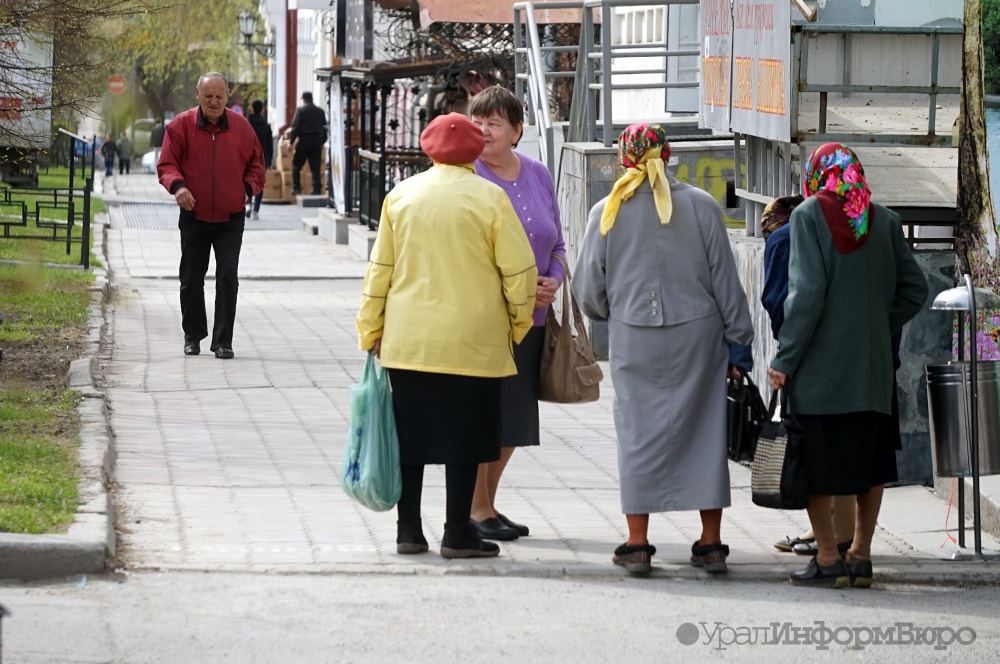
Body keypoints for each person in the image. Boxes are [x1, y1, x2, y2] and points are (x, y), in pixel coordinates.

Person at [573, 124, 754, 576]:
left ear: (622, 159)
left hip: (636, 336)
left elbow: (588, 288)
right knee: (705, 432)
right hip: (699, 336)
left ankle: (637, 543)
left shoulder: (607, 209)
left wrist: (610, 313)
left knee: (638, 434)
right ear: (668, 155)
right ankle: (710, 543)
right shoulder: (701, 206)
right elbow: (725, 283)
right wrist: (740, 343)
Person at [355, 112, 538, 559]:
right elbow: (519, 273)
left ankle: (409, 531)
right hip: (475, 341)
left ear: (428, 148)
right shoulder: (491, 199)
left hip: (409, 342)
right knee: (467, 438)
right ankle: (457, 532)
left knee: (410, 438)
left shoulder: (401, 196)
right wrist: (517, 324)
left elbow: (380, 271)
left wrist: (370, 329)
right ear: (474, 149)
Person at [766, 143, 928, 589]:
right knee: (870, 464)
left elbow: (806, 294)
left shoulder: (807, 217)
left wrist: (785, 359)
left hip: (820, 371)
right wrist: (876, 323)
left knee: (816, 464)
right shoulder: (887, 221)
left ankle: (828, 557)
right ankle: (860, 555)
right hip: (873, 370)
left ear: (819, 176)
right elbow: (915, 290)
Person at [466, 85, 566, 541]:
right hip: (488, 318)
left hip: (535, 318)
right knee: (488, 414)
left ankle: (486, 503)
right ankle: (476, 508)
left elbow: (559, 244)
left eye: (494, 122)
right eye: (479, 120)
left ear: (517, 130)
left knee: (516, 420)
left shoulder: (539, 173)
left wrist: (554, 279)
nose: (484, 129)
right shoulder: (469, 175)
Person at [761, 195, 857, 559]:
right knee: (846, 446)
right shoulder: (855, 227)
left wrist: (787, 355)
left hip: (808, 357)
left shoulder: (785, 237)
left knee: (814, 448)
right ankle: (843, 535)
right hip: (855, 356)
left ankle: (830, 542)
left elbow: (781, 300)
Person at [157, 72, 266, 360]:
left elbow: (257, 165)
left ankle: (222, 341)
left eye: (219, 96)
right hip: (195, 214)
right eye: (208, 96)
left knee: (228, 276)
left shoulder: (242, 128)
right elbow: (167, 163)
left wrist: (246, 189)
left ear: (227, 95)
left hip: (231, 217)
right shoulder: (180, 126)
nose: (214, 101)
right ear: (198, 94)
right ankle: (192, 335)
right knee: (191, 278)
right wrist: (177, 186)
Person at [286, 91, 327, 195]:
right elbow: (325, 128)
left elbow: (295, 127)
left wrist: (291, 142)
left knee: (296, 164)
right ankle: (316, 189)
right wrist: (322, 141)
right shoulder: (320, 111)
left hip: (304, 140)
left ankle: (296, 187)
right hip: (317, 140)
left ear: (304, 99)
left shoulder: (301, 110)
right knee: (315, 166)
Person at [246, 100, 273, 220]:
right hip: (262, 159)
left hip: (247, 157)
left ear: (252, 108)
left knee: (246, 181)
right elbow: (270, 145)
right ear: (262, 109)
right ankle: (256, 210)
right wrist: (270, 161)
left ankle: (248, 206)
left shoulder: (246, 123)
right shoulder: (266, 126)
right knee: (259, 183)